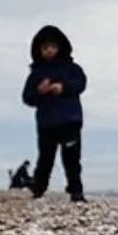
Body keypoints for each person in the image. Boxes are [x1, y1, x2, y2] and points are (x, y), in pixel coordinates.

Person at [21, 25, 87, 202]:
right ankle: (38, 188)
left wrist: (63, 87)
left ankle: (76, 191)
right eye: (44, 48)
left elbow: (81, 84)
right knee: (45, 158)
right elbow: (27, 97)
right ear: (39, 50)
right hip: (46, 123)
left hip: (69, 121)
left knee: (72, 158)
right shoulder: (36, 73)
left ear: (60, 47)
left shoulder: (72, 68)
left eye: (52, 46)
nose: (49, 51)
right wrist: (40, 92)